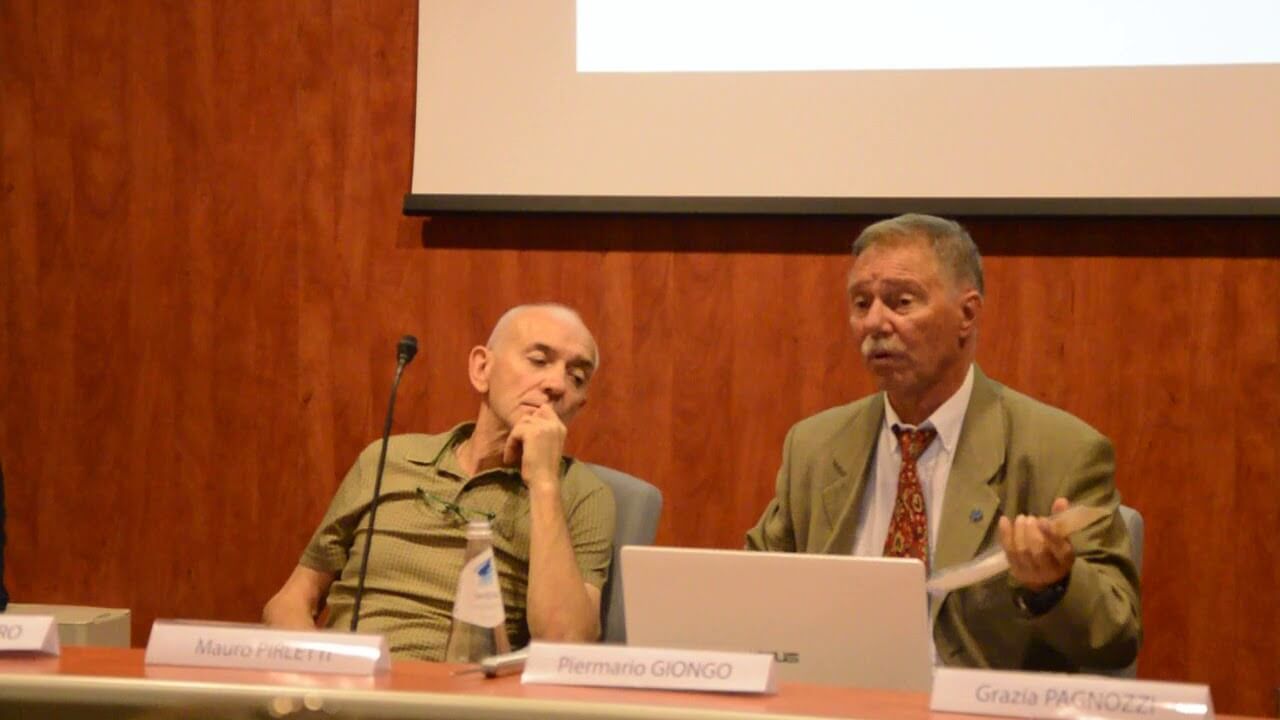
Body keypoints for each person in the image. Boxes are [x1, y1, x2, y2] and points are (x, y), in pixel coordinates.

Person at [746, 214, 1140, 672]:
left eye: (901, 302)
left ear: (966, 315)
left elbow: (1117, 636)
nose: (875, 322)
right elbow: (755, 591)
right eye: (861, 303)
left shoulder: (1062, 451)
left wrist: (1054, 586)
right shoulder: (815, 447)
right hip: (835, 695)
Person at [264, 304, 615, 659]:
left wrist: (543, 482)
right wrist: (315, 664)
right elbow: (291, 600)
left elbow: (565, 644)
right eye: (539, 360)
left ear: (579, 406)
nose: (557, 385)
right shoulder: (387, 459)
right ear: (482, 369)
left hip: (462, 685)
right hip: (347, 680)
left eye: (577, 377)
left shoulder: (581, 492)